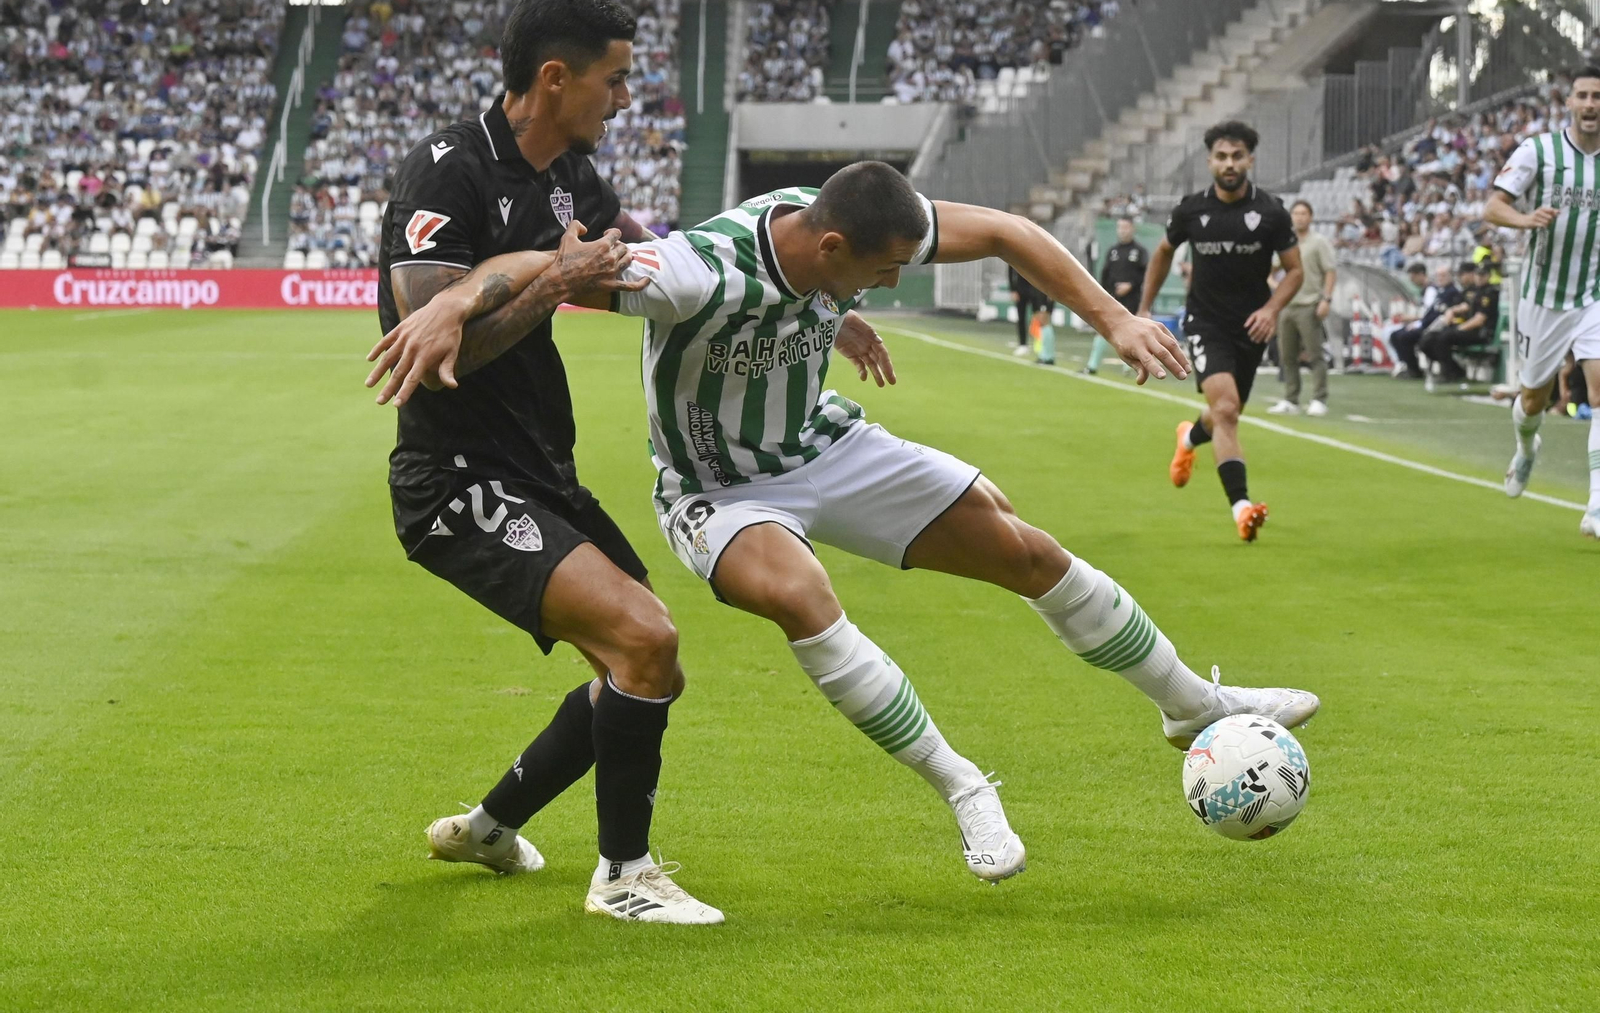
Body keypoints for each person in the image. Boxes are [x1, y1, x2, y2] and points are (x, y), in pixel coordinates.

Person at [371, 162, 1322, 885]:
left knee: (1022, 548)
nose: (887, 286)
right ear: (832, 249)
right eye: (879, 275)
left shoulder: (839, 221)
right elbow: (554, 266)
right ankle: (965, 787)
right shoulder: (699, 271)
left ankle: (1192, 705)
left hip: (824, 446)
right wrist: (455, 297)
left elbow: (1004, 231)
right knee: (802, 596)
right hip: (719, 490)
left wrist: (1113, 320)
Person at [363, 0, 722, 924]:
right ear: (554, 77)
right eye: (614, 79)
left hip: (539, 472)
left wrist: (786, 302)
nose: (624, 98)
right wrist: (555, 276)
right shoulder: (449, 171)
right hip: (454, 480)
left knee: (645, 667)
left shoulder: (571, 177)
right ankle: (625, 877)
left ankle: (488, 827)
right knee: (645, 643)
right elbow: (439, 352)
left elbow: (653, 255)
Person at [1138, 121, 1304, 542]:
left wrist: (1271, 308)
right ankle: (1242, 510)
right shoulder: (1191, 210)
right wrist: (1141, 311)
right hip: (1205, 322)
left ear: (1250, 159)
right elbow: (1162, 253)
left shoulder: (1271, 212)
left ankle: (1189, 438)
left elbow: (1295, 271)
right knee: (1227, 410)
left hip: (1252, 327)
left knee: (1224, 413)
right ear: (1210, 160)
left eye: (1237, 156)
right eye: (1221, 156)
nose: (1229, 164)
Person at [1485, 65, 1600, 537]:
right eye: (1583, 96)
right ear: (1568, 102)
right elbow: (1493, 206)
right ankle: (1527, 450)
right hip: (1544, 297)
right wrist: (1526, 219)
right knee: (1534, 398)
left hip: (1594, 292)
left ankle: (1596, 504)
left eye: (1598, 96)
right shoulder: (1540, 151)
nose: (1591, 104)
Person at [1267, 200, 1336, 416]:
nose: (1299, 217)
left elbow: (1330, 271)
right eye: (1296, 213)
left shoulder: (1319, 242)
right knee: (1286, 356)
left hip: (1309, 304)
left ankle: (1319, 398)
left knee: (1315, 354)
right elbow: (1271, 269)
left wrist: (1326, 299)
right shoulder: (1287, 242)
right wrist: (1276, 287)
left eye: (1304, 213)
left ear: (1311, 216)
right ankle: (1291, 399)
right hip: (1287, 305)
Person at [1417, 261, 1496, 391]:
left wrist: (1459, 328)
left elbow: (1479, 320)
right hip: (1466, 328)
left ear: (1488, 276)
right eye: (1478, 275)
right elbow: (1465, 306)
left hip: (1480, 332)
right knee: (1428, 339)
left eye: (1483, 275)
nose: (1479, 278)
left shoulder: (1489, 293)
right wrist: (1453, 311)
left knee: (1444, 337)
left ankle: (1449, 372)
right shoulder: (1473, 291)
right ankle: (1454, 369)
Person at [1086, 216, 1147, 374]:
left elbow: (1146, 275)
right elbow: (1105, 275)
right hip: (1113, 298)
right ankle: (1092, 365)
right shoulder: (1113, 251)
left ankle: (1129, 368)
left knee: (1131, 332)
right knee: (1102, 329)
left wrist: (1131, 285)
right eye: (1120, 227)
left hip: (1133, 298)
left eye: (1125, 227)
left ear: (1132, 228)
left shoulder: (1139, 251)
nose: (1122, 230)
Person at [1389, 263, 1455, 379]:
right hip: (1427, 324)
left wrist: (1420, 324)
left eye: (1443, 276)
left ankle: (1417, 370)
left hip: (1435, 327)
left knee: (1406, 337)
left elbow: (1437, 314)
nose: (1440, 279)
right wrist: (1417, 323)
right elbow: (1428, 313)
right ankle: (1411, 367)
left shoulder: (1449, 292)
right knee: (1396, 335)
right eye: (1438, 276)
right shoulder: (1439, 291)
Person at [1009, 264, 1051, 360]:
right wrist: (1013, 289)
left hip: (1035, 288)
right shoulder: (1015, 251)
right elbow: (1011, 269)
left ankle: (1039, 345)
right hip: (1020, 288)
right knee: (1021, 317)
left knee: (1038, 318)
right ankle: (1022, 344)